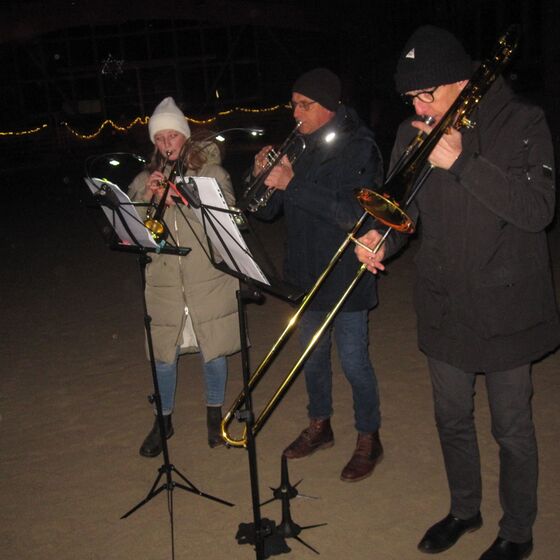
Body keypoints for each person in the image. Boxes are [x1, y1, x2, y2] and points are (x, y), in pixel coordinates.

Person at [355, 26, 560, 560]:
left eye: (427, 94)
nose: (418, 108)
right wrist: (381, 239)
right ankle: (465, 509)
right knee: (451, 419)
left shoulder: (522, 121)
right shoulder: (413, 132)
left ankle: (517, 531)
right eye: (411, 97)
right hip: (443, 300)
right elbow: (406, 214)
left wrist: (463, 163)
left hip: (505, 305)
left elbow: (538, 210)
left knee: (511, 429)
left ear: (463, 83)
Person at [248, 68, 384, 482]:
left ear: (327, 106)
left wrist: (293, 182)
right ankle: (320, 425)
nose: (295, 113)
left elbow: (355, 214)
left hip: (345, 275)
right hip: (304, 274)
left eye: (303, 105)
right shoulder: (300, 145)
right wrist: (261, 175)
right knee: (312, 358)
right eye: (293, 104)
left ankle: (369, 436)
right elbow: (266, 211)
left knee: (354, 361)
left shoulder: (360, 147)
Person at [128, 97, 241, 455]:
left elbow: (231, 225)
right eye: (159, 138)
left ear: (185, 136)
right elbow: (136, 234)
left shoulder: (212, 174)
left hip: (208, 277)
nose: (166, 144)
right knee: (163, 354)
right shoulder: (145, 179)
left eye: (172, 136)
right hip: (164, 282)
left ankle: (215, 416)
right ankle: (163, 421)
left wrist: (183, 202)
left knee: (213, 350)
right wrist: (149, 198)